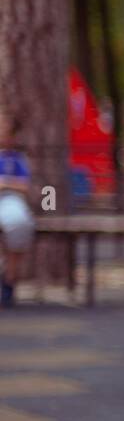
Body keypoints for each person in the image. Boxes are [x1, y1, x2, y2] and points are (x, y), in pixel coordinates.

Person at [0, 108, 36, 309]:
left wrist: (5, 183)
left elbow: (25, 186)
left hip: (10, 201)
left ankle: (9, 280)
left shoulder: (16, 159)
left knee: (19, 223)